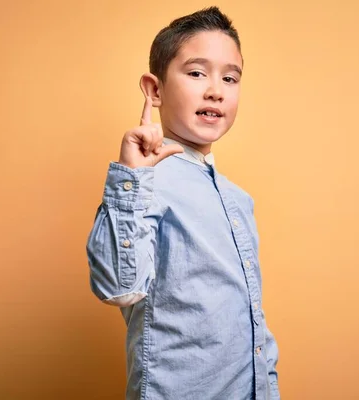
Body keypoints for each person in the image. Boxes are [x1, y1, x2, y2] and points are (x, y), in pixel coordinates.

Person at [86, 6, 280, 399]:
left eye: (230, 77)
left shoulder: (238, 199)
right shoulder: (143, 182)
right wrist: (133, 179)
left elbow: (251, 328)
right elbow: (118, 289)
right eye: (196, 73)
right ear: (155, 90)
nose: (216, 89)